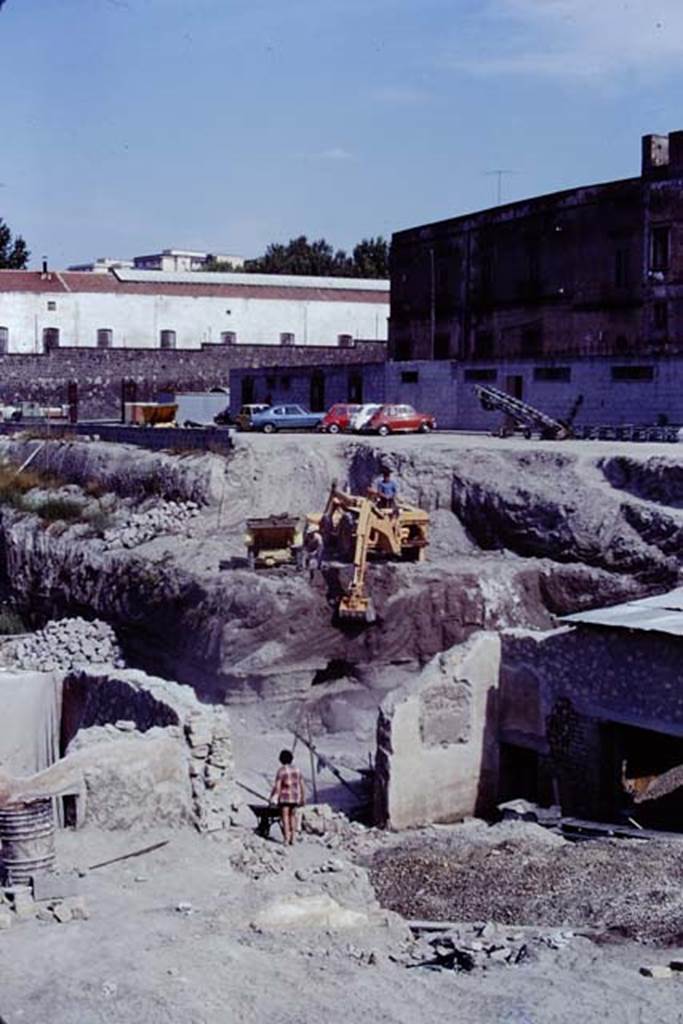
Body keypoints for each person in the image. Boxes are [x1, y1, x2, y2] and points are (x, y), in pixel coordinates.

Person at [269, 749, 305, 845]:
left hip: (285, 797)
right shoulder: (297, 770)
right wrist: (302, 797)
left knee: (285, 817)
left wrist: (272, 796)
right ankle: (293, 839)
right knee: (292, 817)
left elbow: (277, 787)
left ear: (281, 759)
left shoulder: (281, 771)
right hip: (295, 797)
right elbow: (302, 785)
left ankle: (286, 838)